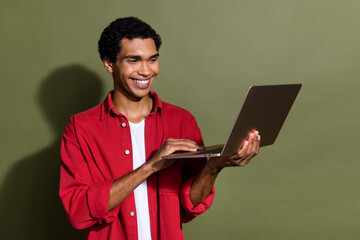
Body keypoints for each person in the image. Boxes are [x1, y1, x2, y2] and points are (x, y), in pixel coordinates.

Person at [59, 17, 260, 240]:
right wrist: (151, 166)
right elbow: (78, 212)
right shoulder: (81, 128)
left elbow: (188, 205)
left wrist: (214, 166)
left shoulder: (182, 121)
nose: (146, 71)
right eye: (133, 60)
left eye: (152, 59)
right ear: (109, 64)